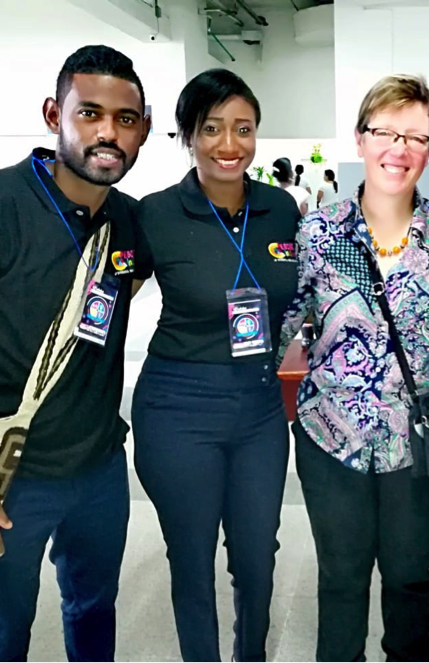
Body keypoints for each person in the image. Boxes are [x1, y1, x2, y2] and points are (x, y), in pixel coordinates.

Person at [0, 45, 151, 662]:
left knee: (93, 610)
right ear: (55, 113)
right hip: (3, 474)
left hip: (98, 467)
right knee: (0, 634)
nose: (108, 132)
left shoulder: (127, 222)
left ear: (143, 130)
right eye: (90, 113)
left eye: (125, 119)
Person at [277, 74, 429, 663]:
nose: (399, 148)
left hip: (418, 444)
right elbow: (285, 318)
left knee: (408, 577)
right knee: (342, 577)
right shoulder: (318, 232)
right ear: (360, 139)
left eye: (416, 136)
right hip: (332, 435)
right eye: (386, 132)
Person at [130, 69, 301, 663]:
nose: (230, 144)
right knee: (192, 557)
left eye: (243, 129)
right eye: (212, 129)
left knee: (257, 556)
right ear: (187, 135)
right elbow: (95, 290)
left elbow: (309, 297)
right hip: (177, 407)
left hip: (257, 409)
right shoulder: (154, 215)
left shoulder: (281, 209)